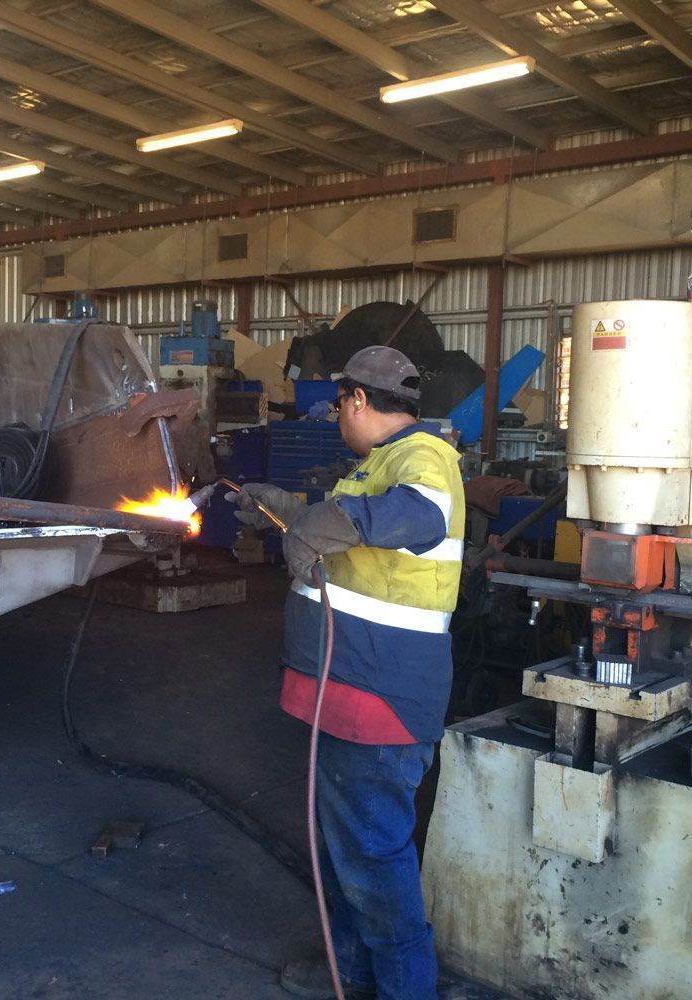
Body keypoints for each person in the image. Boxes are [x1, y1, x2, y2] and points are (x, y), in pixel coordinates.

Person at [230, 346, 464, 1000]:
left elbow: (420, 513)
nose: (338, 417)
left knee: (373, 860)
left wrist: (330, 522)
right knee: (346, 854)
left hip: (377, 700)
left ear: (357, 400)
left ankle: (404, 990)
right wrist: (286, 506)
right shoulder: (375, 467)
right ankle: (353, 971)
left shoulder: (425, 456)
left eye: (339, 406)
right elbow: (345, 528)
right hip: (346, 695)